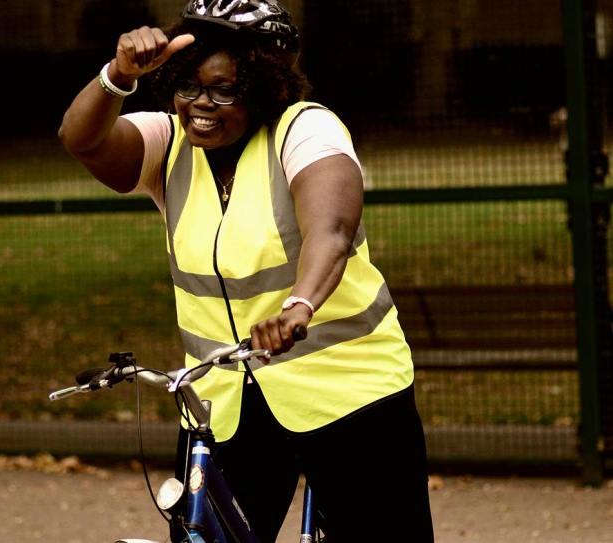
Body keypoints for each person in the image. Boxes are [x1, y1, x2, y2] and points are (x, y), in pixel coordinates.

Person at [58, 1, 433, 541]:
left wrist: (298, 306)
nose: (199, 106)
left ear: (263, 86)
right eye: (186, 86)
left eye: (223, 90)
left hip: (350, 393)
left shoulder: (305, 130)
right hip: (223, 404)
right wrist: (118, 76)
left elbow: (332, 229)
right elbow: (81, 139)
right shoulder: (169, 143)